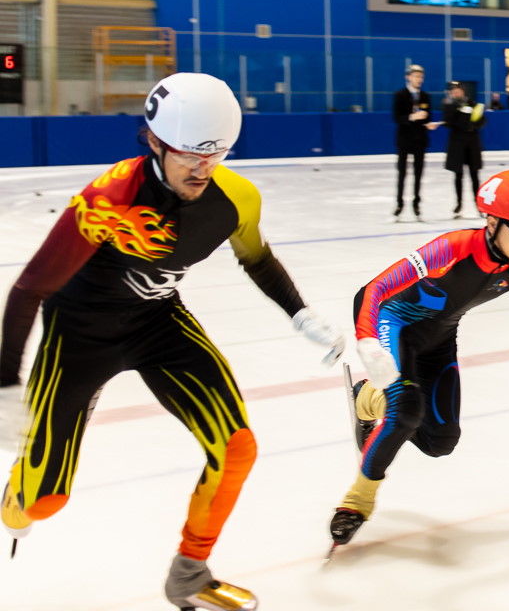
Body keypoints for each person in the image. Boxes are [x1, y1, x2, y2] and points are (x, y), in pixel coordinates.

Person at [0, 73, 345, 611]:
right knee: (43, 501)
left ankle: (189, 574)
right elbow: (29, 288)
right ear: (155, 142)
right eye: (189, 155)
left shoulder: (236, 198)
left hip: (156, 321)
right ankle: (15, 499)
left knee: (236, 448)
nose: (202, 170)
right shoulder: (108, 199)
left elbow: (256, 257)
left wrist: (299, 313)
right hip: (79, 335)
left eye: (216, 155)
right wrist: (5, 383)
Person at [329, 169, 509, 549]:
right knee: (406, 412)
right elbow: (372, 290)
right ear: (492, 221)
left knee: (440, 442)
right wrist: (368, 341)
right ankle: (356, 503)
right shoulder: (452, 247)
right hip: (396, 325)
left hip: (440, 339)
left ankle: (368, 398)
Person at [393, 65, 439, 220]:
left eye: (421, 77)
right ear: (408, 77)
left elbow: (428, 117)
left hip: (420, 140)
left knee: (418, 174)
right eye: (416, 77)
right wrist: (412, 117)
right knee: (402, 173)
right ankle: (400, 203)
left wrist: (429, 124)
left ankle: (416, 203)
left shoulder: (425, 96)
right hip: (404, 140)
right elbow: (397, 118)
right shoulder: (400, 95)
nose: (419, 80)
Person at [442, 81, 485, 218]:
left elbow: (482, 120)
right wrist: (454, 107)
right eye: (452, 91)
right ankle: (459, 203)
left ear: (463, 91)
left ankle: (479, 204)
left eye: (457, 90)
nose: (455, 93)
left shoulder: (473, 104)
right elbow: (448, 122)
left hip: (472, 144)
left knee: (474, 175)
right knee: (458, 175)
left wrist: (473, 125)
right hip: (457, 145)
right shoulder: (449, 106)